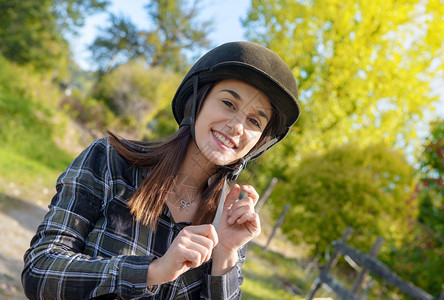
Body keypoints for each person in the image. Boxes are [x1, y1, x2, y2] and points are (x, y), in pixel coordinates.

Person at [22, 41, 300, 299]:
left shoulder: (229, 216)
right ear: (197, 101)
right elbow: (40, 269)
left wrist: (226, 253)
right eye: (228, 103)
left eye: (254, 121)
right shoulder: (109, 160)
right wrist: (152, 272)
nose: (237, 126)